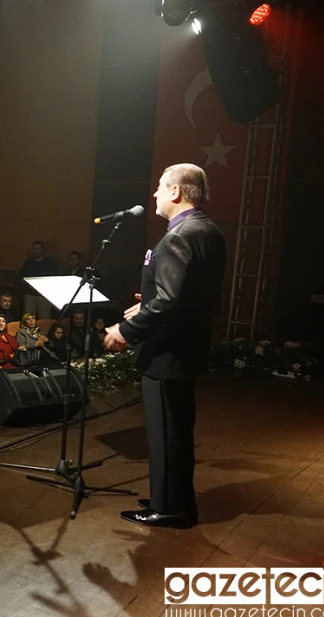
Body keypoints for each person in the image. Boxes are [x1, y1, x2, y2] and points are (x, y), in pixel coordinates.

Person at [103, 163, 226, 529]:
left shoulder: (177, 237)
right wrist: (151, 299)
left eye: (160, 187)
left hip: (167, 352)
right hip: (188, 347)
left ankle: (168, 509)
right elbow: (191, 293)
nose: (155, 194)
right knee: (177, 432)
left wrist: (126, 329)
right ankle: (177, 501)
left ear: (176, 192)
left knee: (164, 434)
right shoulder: (209, 231)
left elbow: (171, 301)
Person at [18, 240, 59, 319]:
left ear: (42, 249)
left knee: (44, 318)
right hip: (30, 294)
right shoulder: (28, 263)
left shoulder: (49, 263)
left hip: (44, 295)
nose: (37, 251)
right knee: (28, 318)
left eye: (39, 248)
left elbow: (54, 278)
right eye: (35, 249)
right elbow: (21, 277)